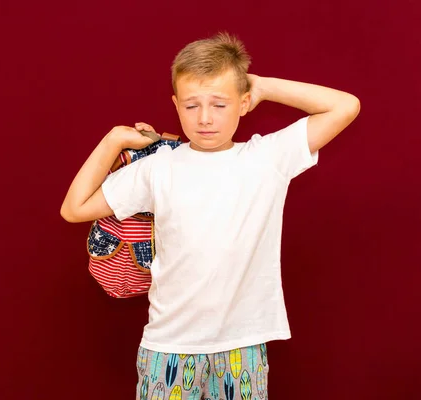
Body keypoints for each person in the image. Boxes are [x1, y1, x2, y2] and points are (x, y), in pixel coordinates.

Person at [60, 32, 360, 399]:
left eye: (219, 104)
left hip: (242, 345)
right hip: (168, 346)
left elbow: (345, 106)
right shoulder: (158, 167)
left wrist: (261, 85)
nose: (204, 118)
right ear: (175, 104)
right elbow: (74, 208)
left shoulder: (266, 158)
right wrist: (114, 140)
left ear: (244, 102)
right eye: (191, 105)